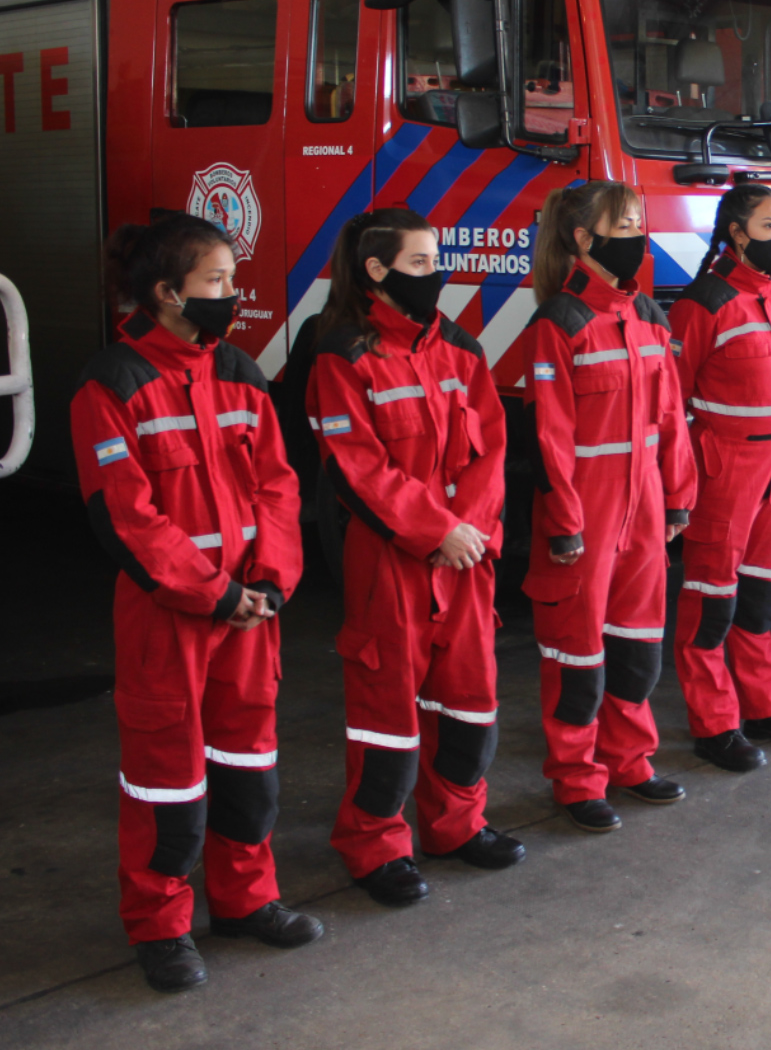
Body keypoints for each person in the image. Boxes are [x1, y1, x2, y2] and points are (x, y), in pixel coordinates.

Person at [73, 214, 321, 992]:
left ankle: (246, 902)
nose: (230, 295)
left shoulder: (242, 375)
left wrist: (271, 582)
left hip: (251, 612)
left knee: (248, 764)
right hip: (170, 617)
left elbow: (279, 486)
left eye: (230, 281)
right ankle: (162, 927)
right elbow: (126, 517)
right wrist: (216, 595)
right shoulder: (111, 385)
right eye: (215, 283)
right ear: (165, 293)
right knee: (165, 780)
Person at [308, 207, 524, 908]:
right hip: (390, 560)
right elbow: (357, 467)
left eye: (436, 261)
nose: (438, 275)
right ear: (377, 272)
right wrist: (437, 530)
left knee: (467, 702)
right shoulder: (342, 355)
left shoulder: (460, 349)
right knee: (387, 715)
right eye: (422, 264)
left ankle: (457, 826)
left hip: (465, 556)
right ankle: (375, 848)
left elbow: (492, 448)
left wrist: (471, 529)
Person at [522, 182, 695, 832]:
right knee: (576, 654)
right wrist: (564, 522)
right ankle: (576, 777)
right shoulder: (560, 322)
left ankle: (632, 760)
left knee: (636, 644)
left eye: (637, 223)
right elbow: (550, 434)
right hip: (586, 510)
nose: (635, 235)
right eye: (622, 224)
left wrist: (678, 496)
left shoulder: (649, 315)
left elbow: (672, 415)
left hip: (646, 504)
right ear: (583, 239)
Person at [669, 185, 771, 768]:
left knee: (761, 600)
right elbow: (673, 405)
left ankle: (765, 707)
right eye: (769, 226)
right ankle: (713, 725)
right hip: (727, 472)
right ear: (737, 234)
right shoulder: (703, 304)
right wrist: (679, 488)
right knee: (712, 602)